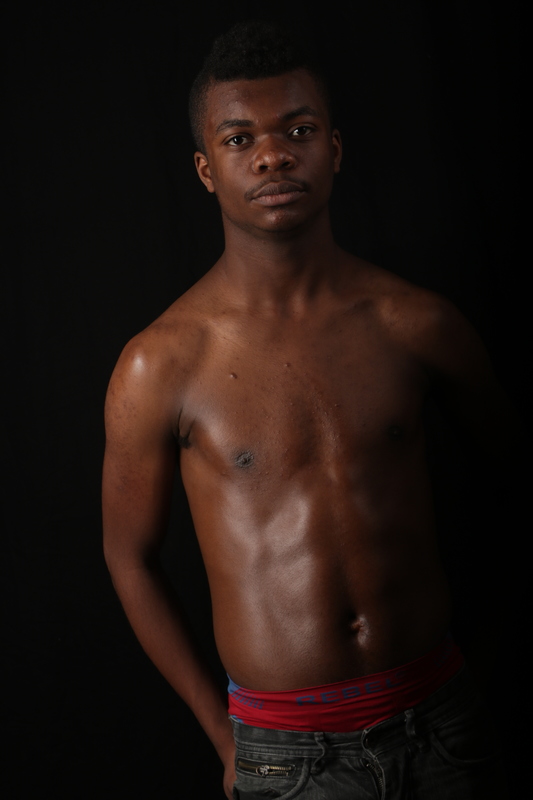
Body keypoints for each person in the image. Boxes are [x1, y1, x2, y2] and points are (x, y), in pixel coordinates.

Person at [102, 21, 514, 799]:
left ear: (334, 147)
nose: (272, 155)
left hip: (445, 724)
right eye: (239, 138)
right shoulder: (160, 363)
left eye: (298, 130)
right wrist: (222, 735)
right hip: (288, 759)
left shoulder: (415, 324)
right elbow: (129, 559)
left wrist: (487, 671)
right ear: (205, 169)